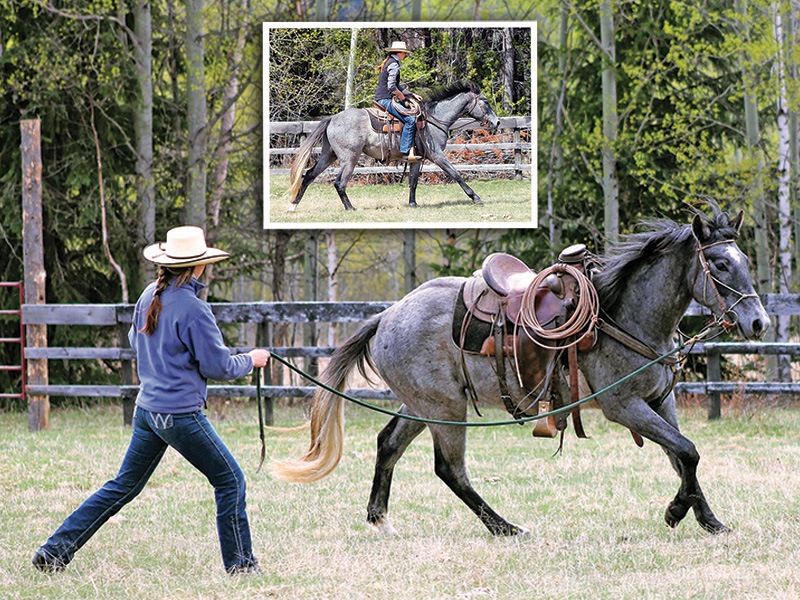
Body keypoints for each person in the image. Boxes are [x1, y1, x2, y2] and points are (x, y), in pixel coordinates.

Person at [32, 225, 270, 575]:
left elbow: (136, 341)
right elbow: (218, 366)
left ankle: (54, 551)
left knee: (122, 487)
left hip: (148, 412)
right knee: (230, 480)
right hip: (180, 417)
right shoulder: (194, 308)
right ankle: (242, 567)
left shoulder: (149, 296)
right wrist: (251, 359)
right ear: (199, 266)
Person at [374, 40, 422, 162]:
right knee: (410, 120)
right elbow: (391, 87)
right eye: (404, 53)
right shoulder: (394, 64)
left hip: (382, 97)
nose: (405, 55)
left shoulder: (389, 62)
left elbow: (396, 85)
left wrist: (411, 94)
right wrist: (400, 95)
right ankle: (405, 153)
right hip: (385, 99)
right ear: (400, 53)